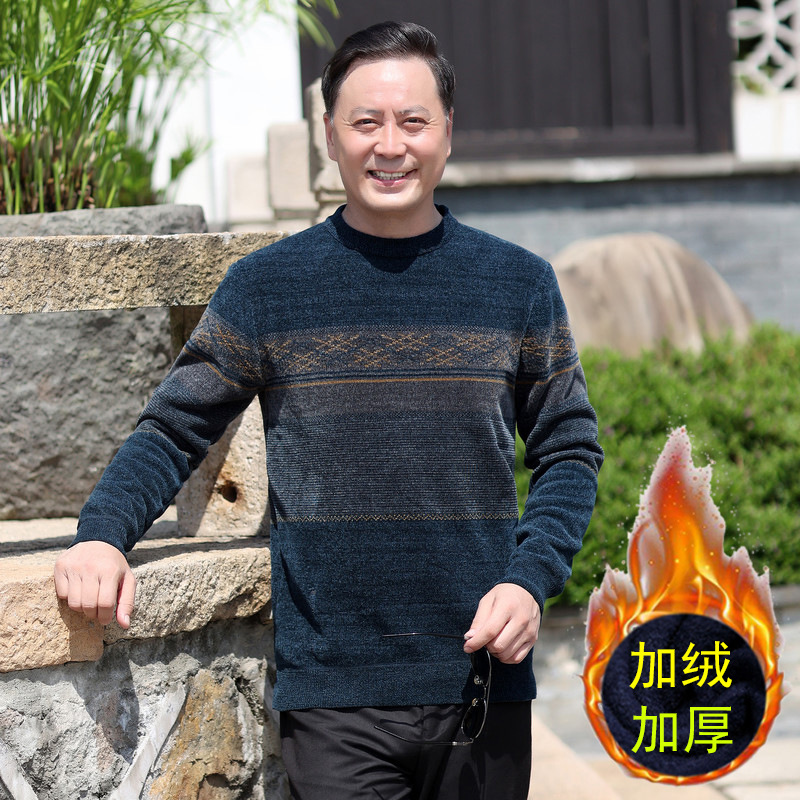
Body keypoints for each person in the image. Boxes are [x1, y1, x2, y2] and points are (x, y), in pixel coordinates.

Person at [54, 20, 603, 799]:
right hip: (334, 699)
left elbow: (569, 449)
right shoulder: (268, 287)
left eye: (413, 121)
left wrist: (529, 578)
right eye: (366, 122)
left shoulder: (517, 283)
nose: (391, 145)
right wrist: (102, 534)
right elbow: (175, 427)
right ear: (329, 135)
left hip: (481, 682)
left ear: (448, 131)